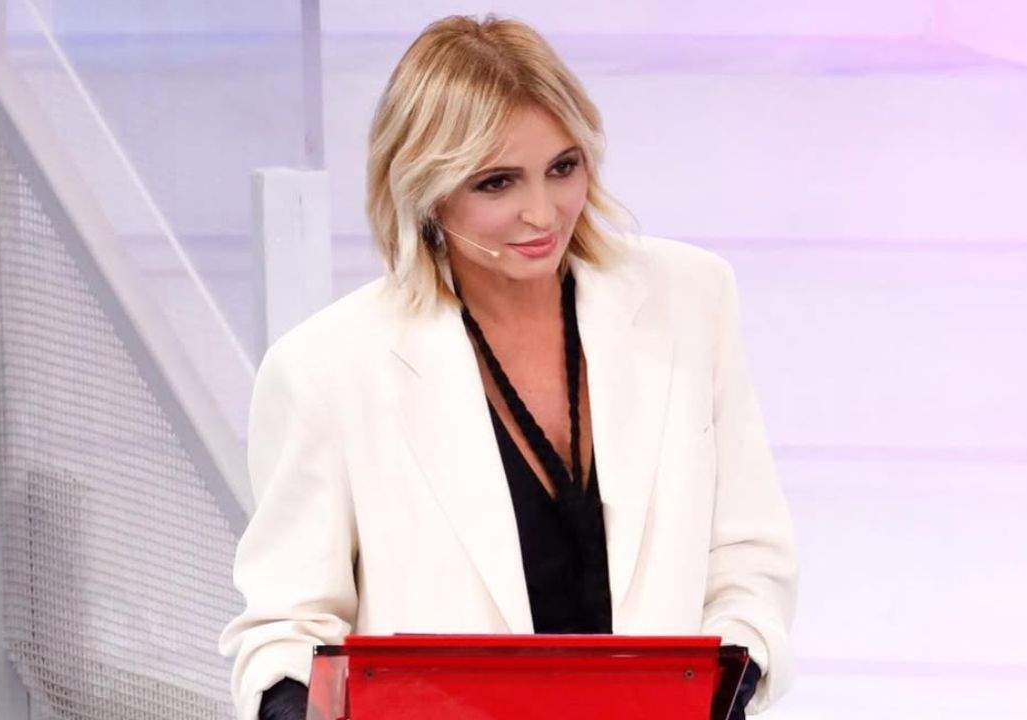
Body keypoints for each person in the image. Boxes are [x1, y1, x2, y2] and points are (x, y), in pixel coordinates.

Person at [218, 13, 797, 720]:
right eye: (497, 183)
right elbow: (286, 628)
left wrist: (726, 684)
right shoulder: (325, 368)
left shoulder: (691, 297)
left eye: (563, 168)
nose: (542, 213)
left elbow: (747, 556)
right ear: (427, 190)